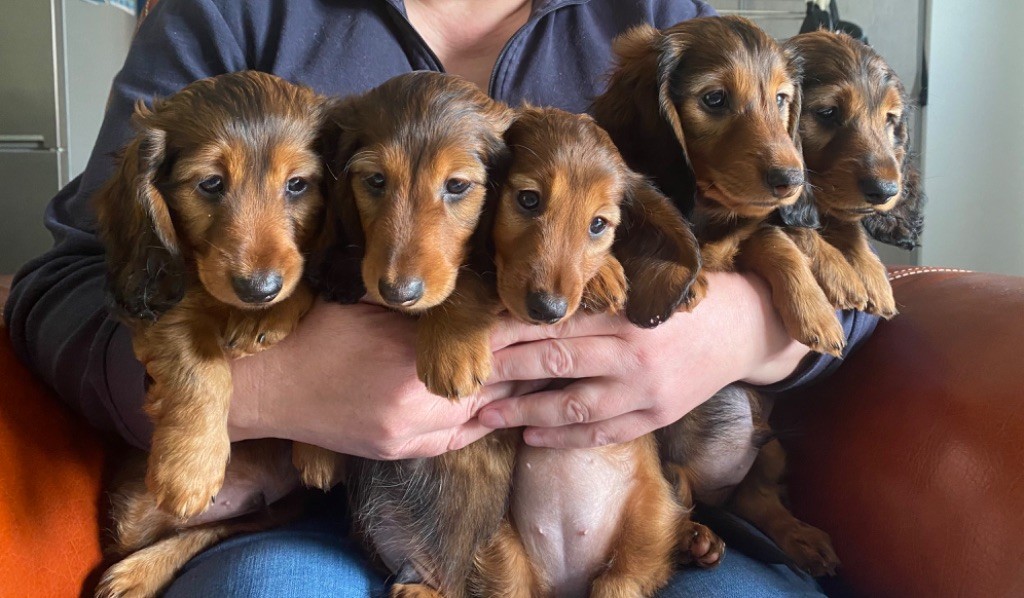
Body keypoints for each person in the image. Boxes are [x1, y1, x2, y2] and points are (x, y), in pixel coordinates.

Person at [3, 0, 875, 595]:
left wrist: (733, 333)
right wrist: (276, 392)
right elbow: (65, 282)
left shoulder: (662, 16)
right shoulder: (234, 13)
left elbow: (836, 250)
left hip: (621, 496)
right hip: (328, 513)